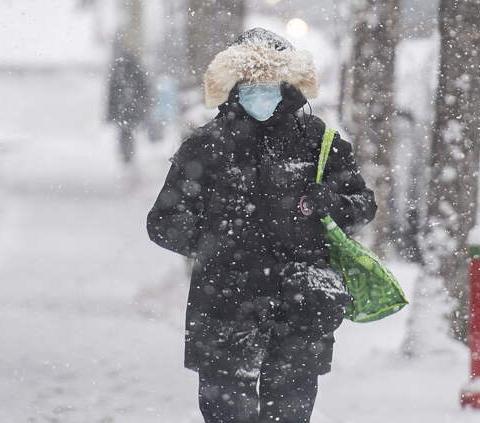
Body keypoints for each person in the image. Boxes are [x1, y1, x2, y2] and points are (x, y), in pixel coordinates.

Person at [147, 28, 377, 423]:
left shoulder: (319, 141)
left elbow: (363, 205)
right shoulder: (207, 146)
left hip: (301, 302)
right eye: (251, 85)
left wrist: (333, 204)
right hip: (225, 302)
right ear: (233, 85)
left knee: (289, 410)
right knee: (225, 410)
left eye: (270, 85)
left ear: (289, 85)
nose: (261, 94)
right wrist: (214, 244)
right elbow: (163, 221)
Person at [107, 35, 150, 164]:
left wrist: (111, 111)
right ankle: (128, 155)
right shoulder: (133, 68)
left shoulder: (119, 69)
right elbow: (144, 88)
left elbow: (112, 93)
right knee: (127, 131)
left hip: (125, 108)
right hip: (129, 107)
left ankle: (127, 155)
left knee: (125, 131)